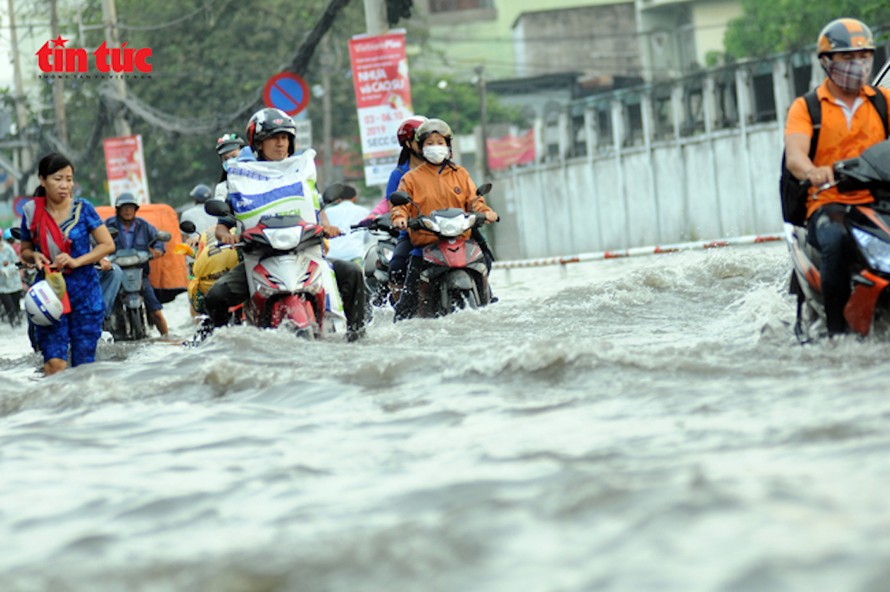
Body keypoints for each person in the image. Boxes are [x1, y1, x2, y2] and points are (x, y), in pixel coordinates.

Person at [202, 107, 366, 340]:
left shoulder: (301, 173)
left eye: (285, 138)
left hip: (305, 254)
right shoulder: (241, 178)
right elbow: (222, 225)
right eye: (273, 138)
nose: (280, 144)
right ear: (259, 143)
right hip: (259, 258)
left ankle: (357, 336)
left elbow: (318, 210)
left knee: (353, 272)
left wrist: (327, 227)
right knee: (216, 296)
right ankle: (219, 343)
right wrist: (226, 235)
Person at [784, 17, 890, 336]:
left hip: (879, 200)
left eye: (864, 56)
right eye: (847, 57)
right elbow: (795, 157)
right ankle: (837, 333)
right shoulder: (807, 108)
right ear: (827, 62)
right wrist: (813, 172)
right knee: (835, 241)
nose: (857, 64)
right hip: (830, 204)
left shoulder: (882, 101)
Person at [391, 118, 498, 319]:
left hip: (461, 239)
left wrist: (486, 212)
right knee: (408, 292)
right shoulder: (411, 178)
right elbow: (400, 205)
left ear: (448, 146)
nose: (435, 147)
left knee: (485, 260)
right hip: (426, 243)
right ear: (421, 147)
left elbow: (474, 199)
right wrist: (400, 217)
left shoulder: (460, 174)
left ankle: (487, 300)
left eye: (440, 142)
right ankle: (404, 321)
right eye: (430, 143)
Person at [19, 153, 116, 375]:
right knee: (54, 363)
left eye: (69, 179)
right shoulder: (32, 213)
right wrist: (34, 256)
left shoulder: (84, 209)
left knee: (83, 363)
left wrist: (76, 261)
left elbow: (107, 245)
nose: (65, 185)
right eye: (58, 179)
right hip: (49, 295)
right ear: (42, 180)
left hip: (85, 294)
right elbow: (25, 250)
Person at [358, 115, 427, 297]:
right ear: (408, 143)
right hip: (413, 233)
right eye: (422, 140)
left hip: (444, 230)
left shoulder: (448, 171)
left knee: (482, 255)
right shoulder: (399, 175)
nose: (428, 145)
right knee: (396, 268)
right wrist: (376, 216)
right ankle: (401, 304)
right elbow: (392, 203)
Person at [104, 193, 170, 337]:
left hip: (140, 272)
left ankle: (168, 338)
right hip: (115, 274)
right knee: (105, 309)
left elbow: (158, 238)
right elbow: (97, 239)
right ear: (118, 210)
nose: (128, 211)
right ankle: (104, 336)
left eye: (131, 207)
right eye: (124, 208)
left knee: (155, 310)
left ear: (135, 209)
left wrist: (158, 249)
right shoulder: (108, 225)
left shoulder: (144, 226)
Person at [324, 190, 371, 263]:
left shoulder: (327, 212)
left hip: (332, 256)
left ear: (338, 199)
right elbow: (367, 238)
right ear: (354, 198)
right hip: (355, 255)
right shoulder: (364, 212)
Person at [213, 133, 245, 201]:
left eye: (234, 156)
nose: (230, 161)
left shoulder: (259, 178)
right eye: (226, 159)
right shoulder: (222, 188)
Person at [0, 229, 22, 326]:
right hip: (2, 287)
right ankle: (12, 324)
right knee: (10, 310)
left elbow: (17, 264)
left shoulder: (8, 249)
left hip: (14, 284)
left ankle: (17, 327)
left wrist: (7, 270)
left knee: (16, 309)